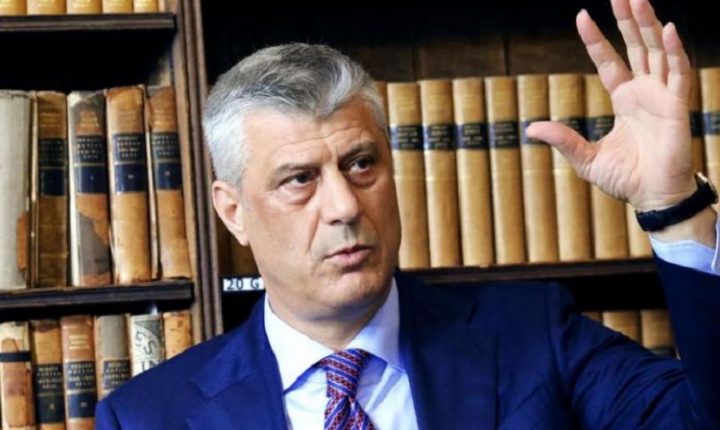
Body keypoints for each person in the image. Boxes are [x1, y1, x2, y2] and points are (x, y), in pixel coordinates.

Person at [96, 0, 720, 428]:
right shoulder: (149, 416)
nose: (345, 206)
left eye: (361, 164)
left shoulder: (532, 337)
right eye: (299, 180)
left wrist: (674, 204)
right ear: (233, 211)